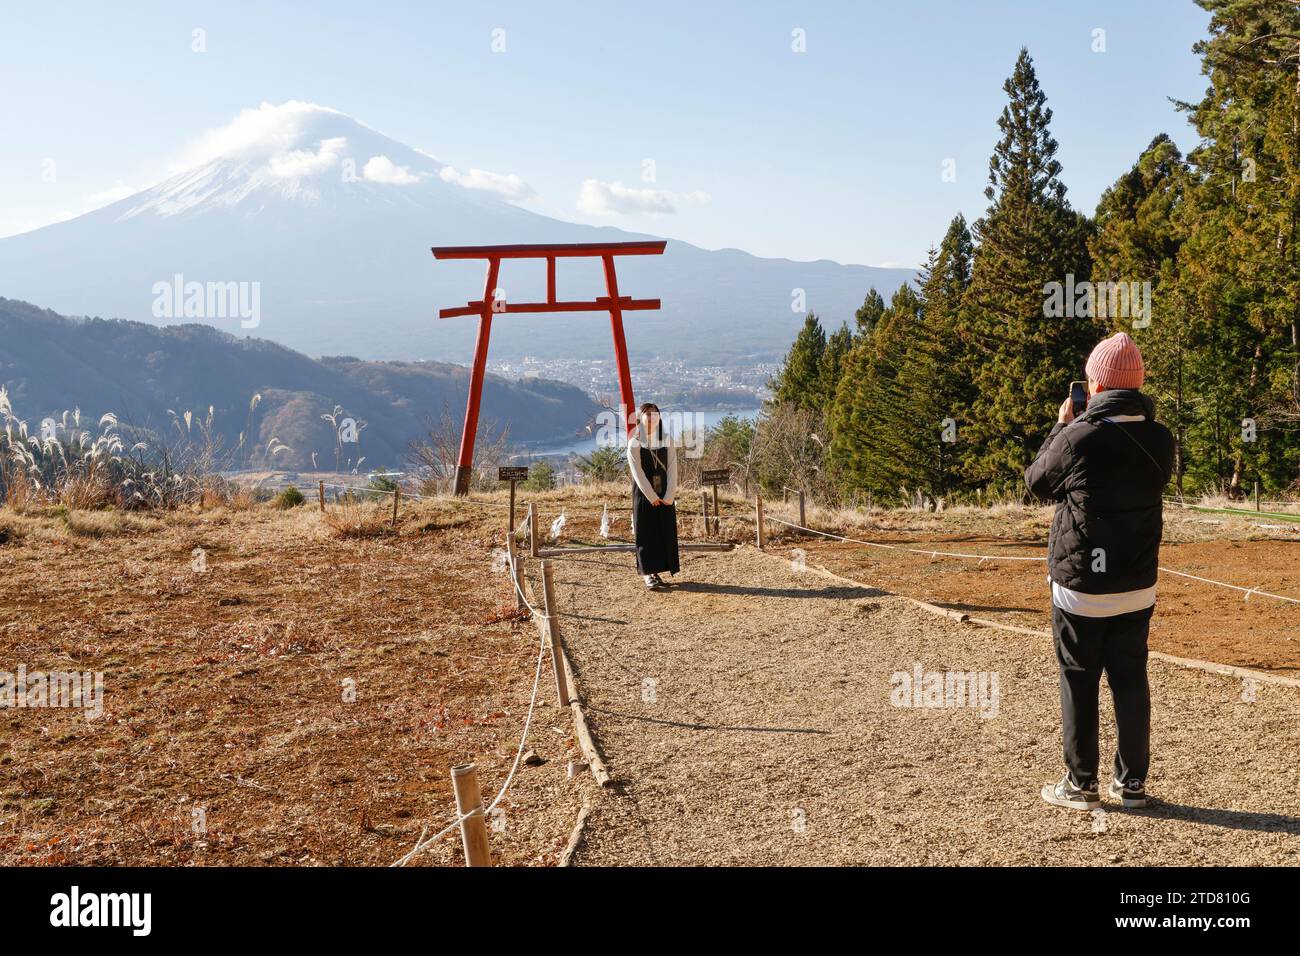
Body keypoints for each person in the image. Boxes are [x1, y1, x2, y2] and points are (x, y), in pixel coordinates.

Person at [1024, 332, 1174, 811]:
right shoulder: (1160, 437)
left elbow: (1037, 483)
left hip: (1080, 586)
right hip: (1137, 582)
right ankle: (1131, 785)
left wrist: (1060, 425)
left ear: (1096, 384)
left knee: (1079, 677)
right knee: (1130, 678)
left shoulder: (1078, 437)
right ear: (1137, 384)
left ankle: (1080, 782)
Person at [627, 402, 679, 591]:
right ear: (640, 418)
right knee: (646, 533)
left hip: (665, 493)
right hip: (644, 494)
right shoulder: (635, 443)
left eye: (655, 413)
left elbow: (673, 467)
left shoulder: (667, 440)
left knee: (661, 531)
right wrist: (650, 495)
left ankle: (657, 570)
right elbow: (637, 473)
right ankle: (647, 574)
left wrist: (669, 495)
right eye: (647, 414)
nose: (651, 417)